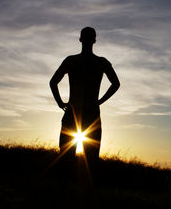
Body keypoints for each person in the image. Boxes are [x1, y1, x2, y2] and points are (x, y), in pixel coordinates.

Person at [49, 27, 120, 173]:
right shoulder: (101, 62)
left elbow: (53, 82)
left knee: (66, 156)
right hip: (90, 112)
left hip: (73, 111)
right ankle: (83, 190)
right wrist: (100, 101)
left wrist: (60, 103)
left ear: (80, 39)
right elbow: (116, 84)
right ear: (94, 40)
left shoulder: (72, 60)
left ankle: (68, 187)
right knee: (91, 158)